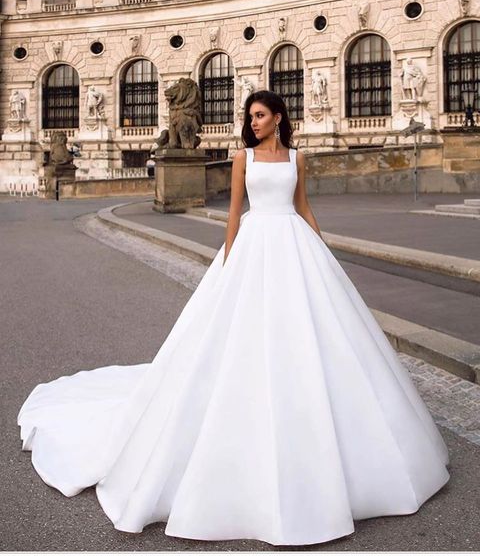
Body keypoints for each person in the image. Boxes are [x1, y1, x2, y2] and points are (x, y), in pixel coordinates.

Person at [17, 90, 450, 547]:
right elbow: (235, 212)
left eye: (261, 115)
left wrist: (322, 249)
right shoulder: (242, 157)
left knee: (312, 340)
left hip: (295, 244)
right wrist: (227, 259)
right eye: (251, 116)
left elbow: (304, 207)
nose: (254, 122)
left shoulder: (297, 158)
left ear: (279, 118)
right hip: (256, 246)